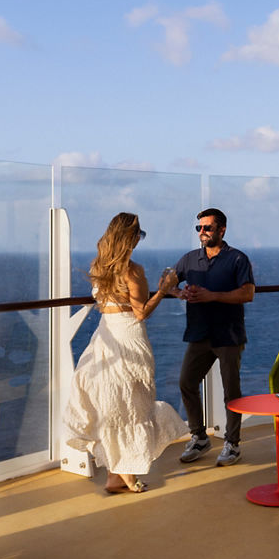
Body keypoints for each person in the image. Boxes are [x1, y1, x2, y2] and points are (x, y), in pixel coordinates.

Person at [63, 212, 186, 494]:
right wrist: (165, 289)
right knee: (134, 406)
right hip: (129, 339)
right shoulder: (133, 271)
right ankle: (126, 475)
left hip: (105, 338)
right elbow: (141, 312)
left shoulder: (99, 266)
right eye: (139, 236)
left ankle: (115, 476)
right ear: (130, 238)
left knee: (114, 406)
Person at [164, 207, 255, 467]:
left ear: (221, 230)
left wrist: (212, 296)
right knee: (186, 383)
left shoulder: (237, 259)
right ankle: (200, 437)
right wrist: (178, 293)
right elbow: (167, 281)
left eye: (207, 228)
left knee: (231, 393)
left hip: (228, 335)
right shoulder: (189, 259)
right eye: (199, 228)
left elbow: (247, 293)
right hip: (199, 334)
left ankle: (232, 443)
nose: (202, 232)